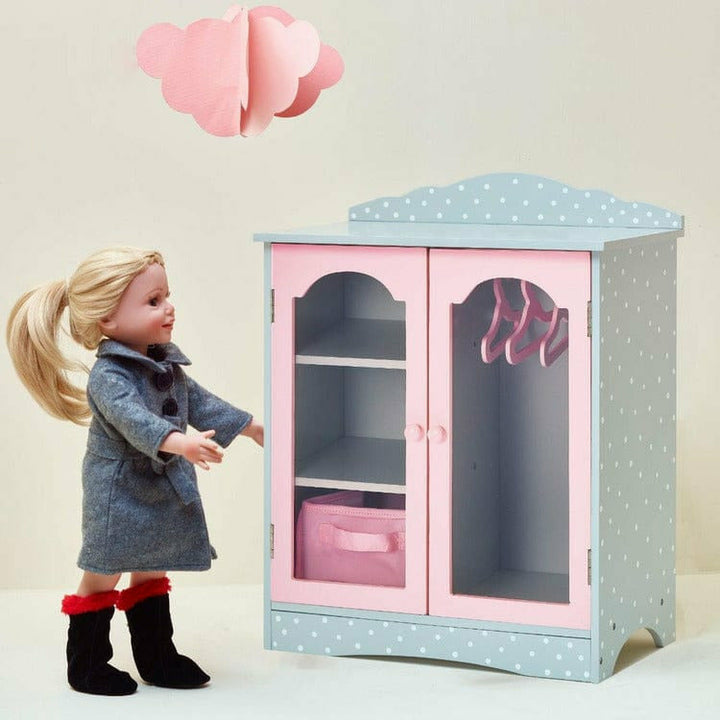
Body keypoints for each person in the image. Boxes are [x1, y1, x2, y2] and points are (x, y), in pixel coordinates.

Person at [6, 247, 263, 696]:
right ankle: (87, 664)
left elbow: (199, 401)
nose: (169, 308)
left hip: (159, 482)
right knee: (104, 569)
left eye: (167, 296)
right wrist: (181, 443)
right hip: (119, 490)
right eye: (153, 301)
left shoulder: (164, 362)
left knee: (151, 566)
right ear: (107, 318)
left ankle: (157, 657)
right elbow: (133, 420)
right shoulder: (109, 376)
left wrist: (249, 426)